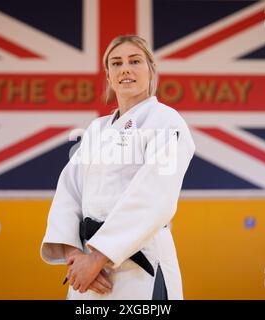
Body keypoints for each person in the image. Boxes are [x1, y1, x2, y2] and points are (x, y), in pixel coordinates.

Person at [40, 35, 195, 300]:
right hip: (88, 270)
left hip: (140, 263)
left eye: (135, 61)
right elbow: (68, 193)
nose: (125, 69)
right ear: (109, 76)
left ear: (151, 70)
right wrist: (74, 255)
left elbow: (155, 196)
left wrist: (100, 257)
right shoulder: (96, 129)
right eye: (116, 63)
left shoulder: (165, 121)